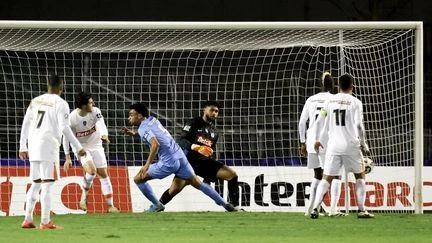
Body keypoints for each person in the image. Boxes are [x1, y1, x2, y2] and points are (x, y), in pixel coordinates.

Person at [121, 103, 236, 212]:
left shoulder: (143, 129)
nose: (129, 118)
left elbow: (155, 144)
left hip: (169, 162)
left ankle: (157, 205)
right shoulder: (152, 119)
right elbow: (154, 133)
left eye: (131, 115)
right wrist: (133, 133)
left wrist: (146, 165)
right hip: (180, 156)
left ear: (140, 116)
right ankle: (225, 204)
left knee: (138, 179)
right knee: (197, 183)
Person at [19, 73, 86, 229]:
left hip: (33, 145)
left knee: (35, 183)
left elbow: (26, 124)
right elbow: (64, 128)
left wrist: (23, 145)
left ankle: (28, 219)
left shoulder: (35, 101)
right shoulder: (61, 103)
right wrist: (78, 147)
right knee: (47, 184)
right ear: (62, 87)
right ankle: (45, 221)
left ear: (47, 86)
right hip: (48, 146)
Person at [156, 100, 241, 211]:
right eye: (211, 110)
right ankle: (156, 206)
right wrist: (196, 147)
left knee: (232, 175)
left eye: (216, 111)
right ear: (204, 109)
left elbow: (210, 151)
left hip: (204, 163)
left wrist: (208, 175)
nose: (214, 113)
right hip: (188, 163)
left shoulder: (215, 132)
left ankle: (235, 207)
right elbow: (181, 140)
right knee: (174, 189)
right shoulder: (193, 123)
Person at [310, 74, 374, 219]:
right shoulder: (356, 102)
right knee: (360, 175)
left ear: (338, 86)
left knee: (326, 178)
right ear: (352, 86)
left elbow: (319, 119)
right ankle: (361, 210)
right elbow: (359, 125)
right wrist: (364, 144)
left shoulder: (329, 101)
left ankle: (315, 209)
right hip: (351, 145)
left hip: (333, 146)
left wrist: (317, 139)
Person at [63, 92, 119, 213]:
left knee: (103, 174)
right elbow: (66, 137)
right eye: (90, 102)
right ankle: (84, 196)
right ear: (83, 105)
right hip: (81, 147)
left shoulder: (95, 111)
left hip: (96, 145)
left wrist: (105, 134)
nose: (93, 103)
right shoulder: (72, 118)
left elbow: (101, 123)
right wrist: (67, 157)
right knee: (92, 171)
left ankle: (110, 207)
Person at [298, 72, 344, 217]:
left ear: (321, 84)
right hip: (328, 140)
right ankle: (332, 209)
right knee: (335, 175)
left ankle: (310, 209)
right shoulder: (334, 99)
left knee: (317, 175)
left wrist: (303, 142)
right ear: (333, 85)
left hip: (312, 139)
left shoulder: (311, 99)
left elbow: (301, 122)